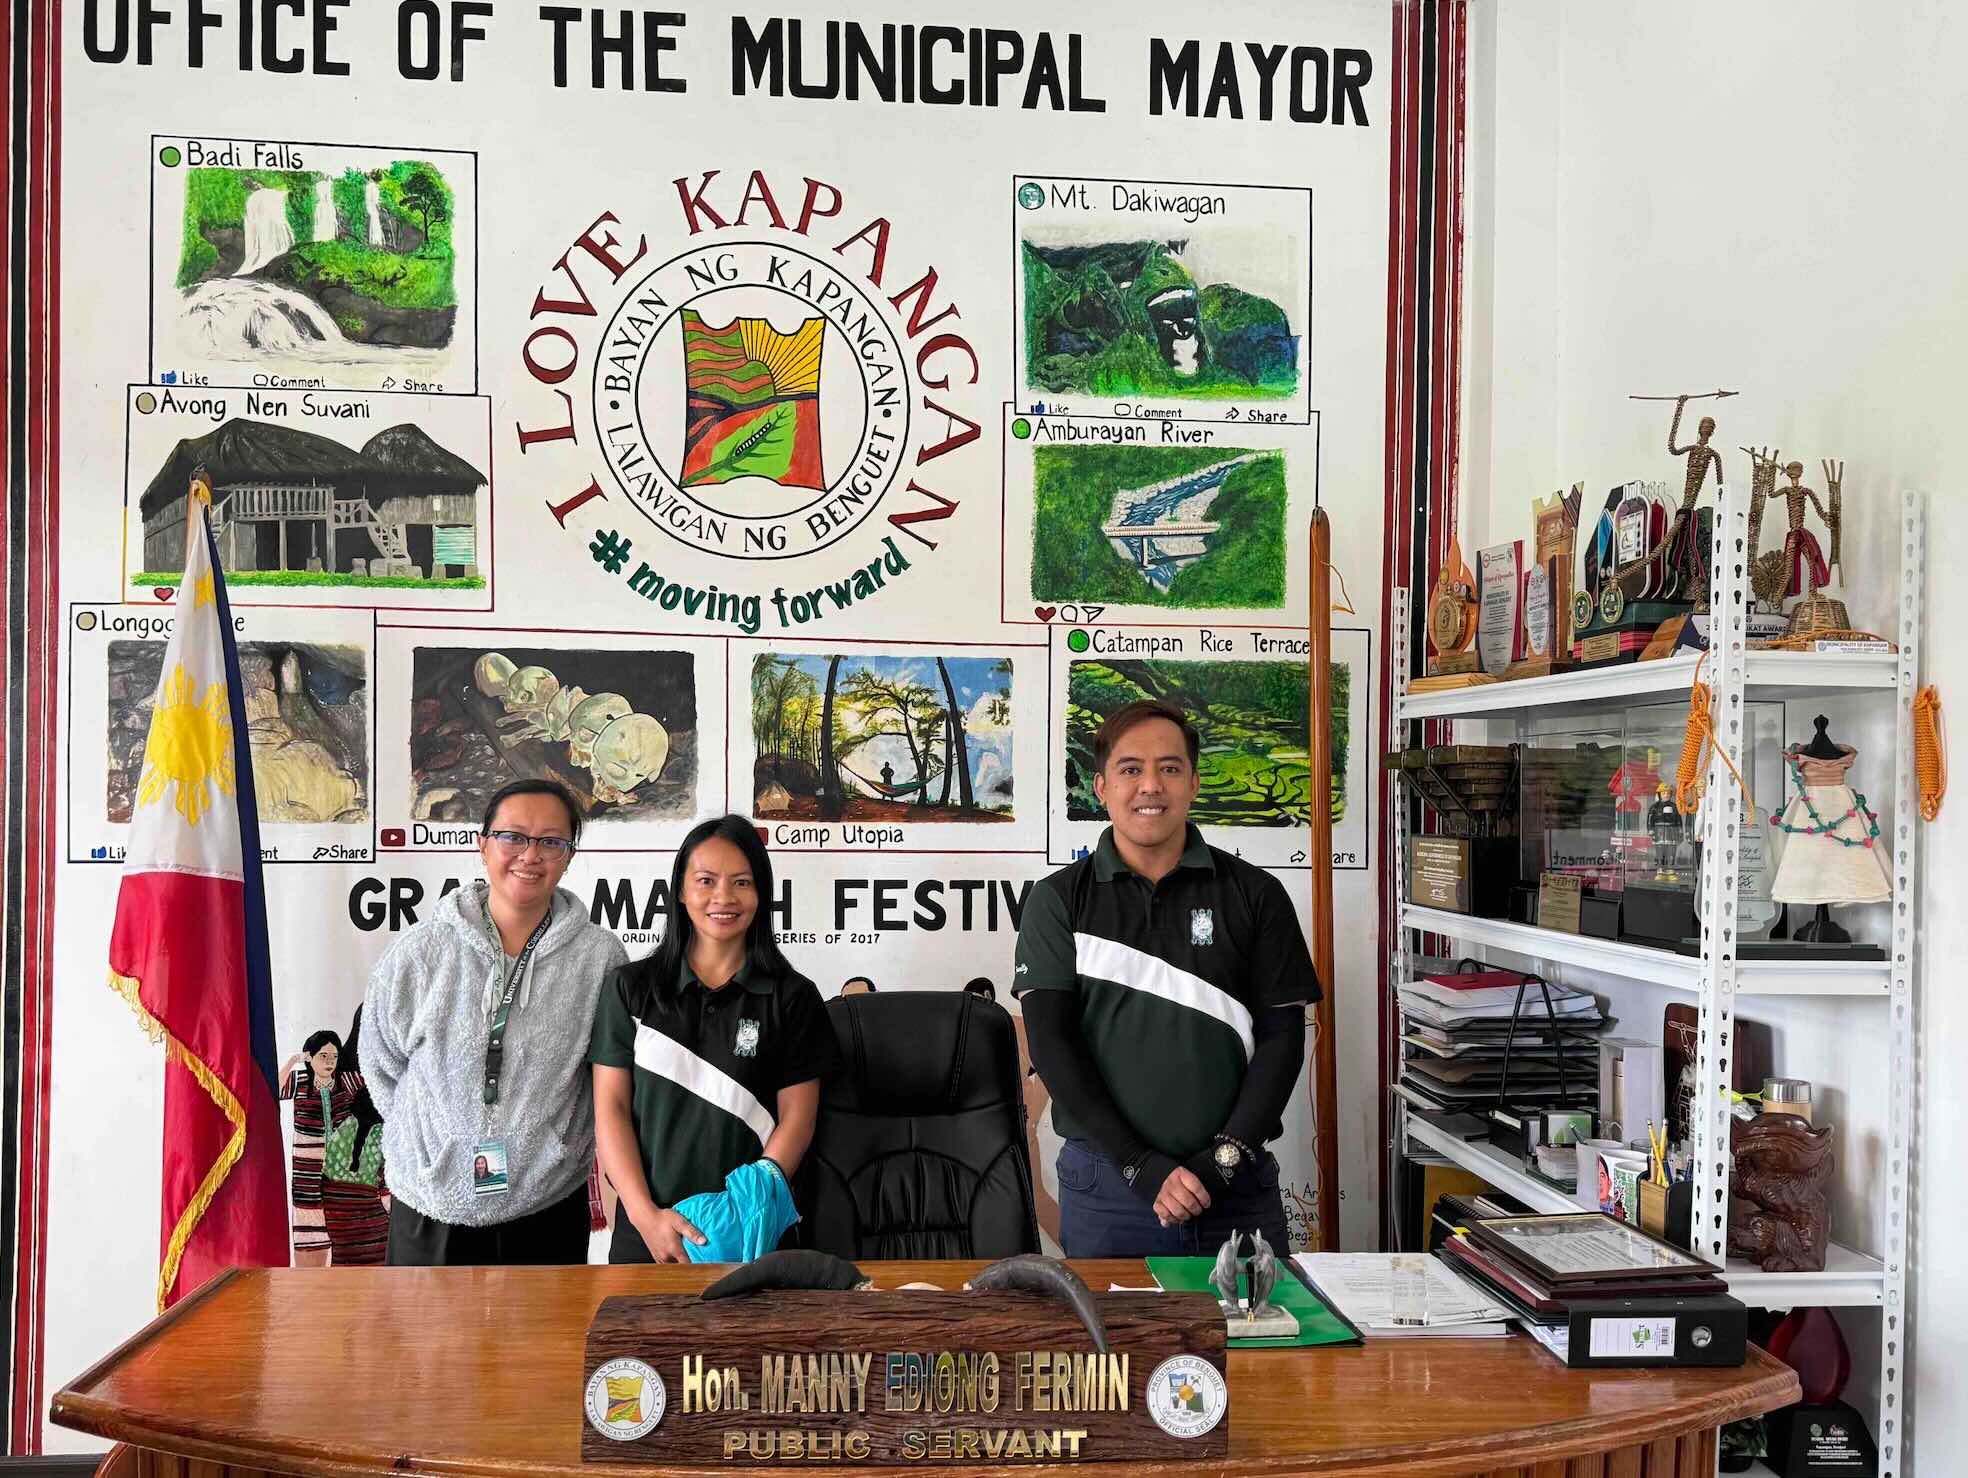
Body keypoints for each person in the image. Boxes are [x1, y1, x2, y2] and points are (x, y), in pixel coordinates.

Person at [1015, 700, 1318, 1257]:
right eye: (1131, 769)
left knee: (1260, 1344)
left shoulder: (1257, 894)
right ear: (1102, 787)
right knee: (1114, 1347)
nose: (1150, 785)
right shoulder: (1058, 900)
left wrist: (1222, 1161)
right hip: (1109, 1189)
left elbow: (1283, 1040)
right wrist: (1139, 1164)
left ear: (1194, 783)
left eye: (1169, 768)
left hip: (1236, 1187)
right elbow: (1053, 1047)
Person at [363, 779, 627, 1266]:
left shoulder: (600, 958)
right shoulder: (422, 951)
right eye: (513, 837)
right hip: (430, 1201)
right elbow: (381, 1064)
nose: (530, 855)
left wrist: (556, 1149)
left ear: (569, 855)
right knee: (426, 1344)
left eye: (551, 841)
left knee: (541, 1345)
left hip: (545, 1199)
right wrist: (433, 1146)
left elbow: (605, 1076)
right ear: (482, 845)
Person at [591, 815, 841, 1263]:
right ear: (682, 891)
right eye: (706, 881)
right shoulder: (630, 989)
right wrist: (646, 1216)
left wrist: (738, 1218)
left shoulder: (793, 997)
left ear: (761, 895)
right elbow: (610, 1109)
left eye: (742, 883)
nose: (723, 898)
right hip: (649, 1233)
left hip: (755, 1235)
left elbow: (797, 1122)